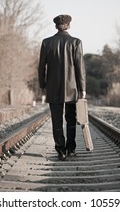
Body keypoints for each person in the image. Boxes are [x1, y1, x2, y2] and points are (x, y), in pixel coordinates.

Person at [38, 14, 86, 161]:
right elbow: (80, 68)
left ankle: (61, 151)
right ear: (69, 25)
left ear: (56, 26)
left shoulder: (46, 42)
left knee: (56, 120)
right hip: (72, 89)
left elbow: (41, 67)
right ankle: (70, 148)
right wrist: (82, 88)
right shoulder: (76, 42)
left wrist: (43, 84)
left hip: (53, 88)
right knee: (71, 119)